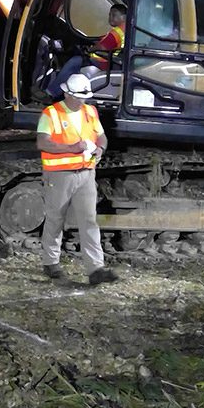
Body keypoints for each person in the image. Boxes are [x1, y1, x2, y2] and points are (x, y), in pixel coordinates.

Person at [36, 73, 118, 285]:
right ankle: (51, 263)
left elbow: (101, 136)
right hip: (60, 175)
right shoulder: (51, 114)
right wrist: (72, 148)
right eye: (79, 97)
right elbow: (43, 143)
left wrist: (100, 148)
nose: (83, 101)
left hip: (86, 174)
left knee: (89, 221)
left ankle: (96, 269)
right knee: (56, 219)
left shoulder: (90, 111)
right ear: (67, 94)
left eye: (85, 97)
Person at [45, 3, 128, 99]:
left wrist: (90, 49)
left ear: (124, 17)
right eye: (110, 15)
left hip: (103, 62)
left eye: (114, 15)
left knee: (75, 61)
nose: (110, 17)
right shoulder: (125, 30)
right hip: (111, 61)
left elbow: (102, 47)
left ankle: (51, 92)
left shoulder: (116, 32)